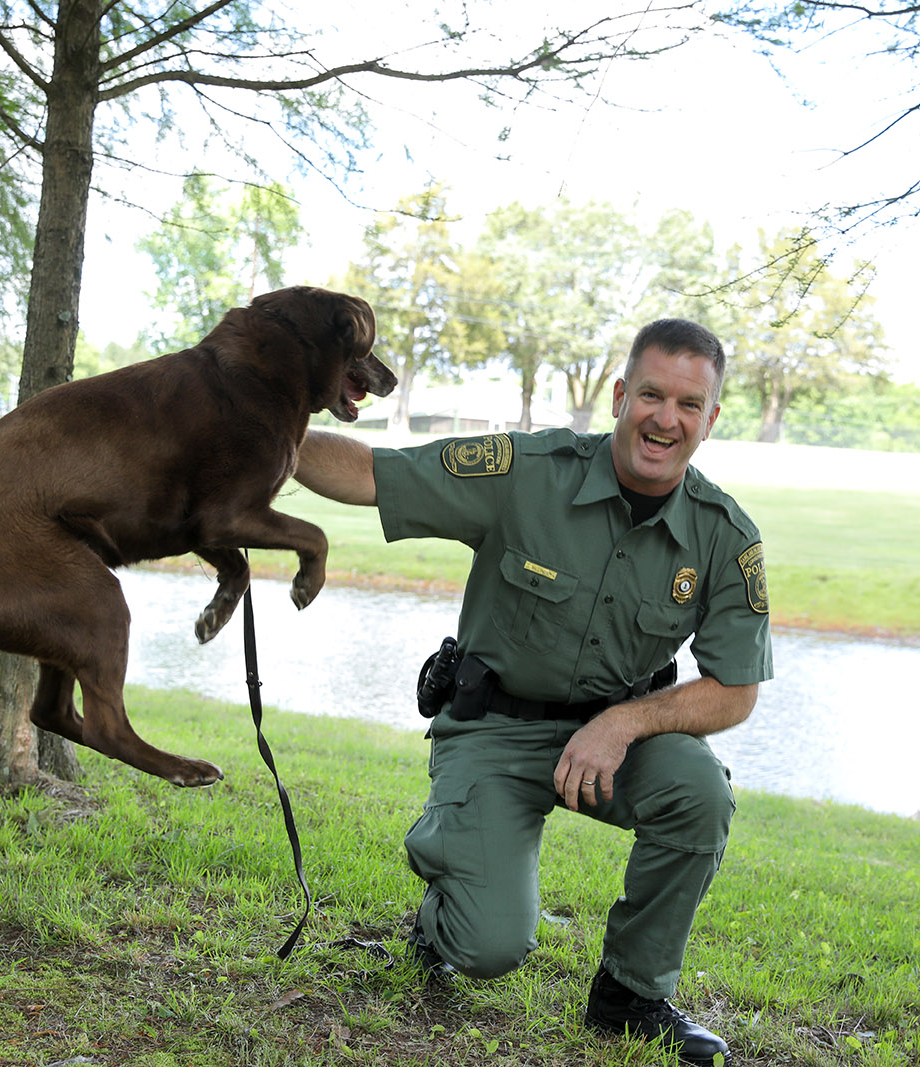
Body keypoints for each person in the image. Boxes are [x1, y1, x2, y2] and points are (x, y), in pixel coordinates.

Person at [293, 318, 772, 1065]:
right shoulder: (526, 469)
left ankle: (630, 994)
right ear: (620, 395)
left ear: (711, 419)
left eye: (687, 404)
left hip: (613, 743)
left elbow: (735, 689)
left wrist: (622, 724)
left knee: (700, 793)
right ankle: (447, 879)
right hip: (493, 727)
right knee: (488, 948)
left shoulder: (723, 535)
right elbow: (371, 475)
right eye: (650, 394)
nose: (664, 418)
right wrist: (262, 430)